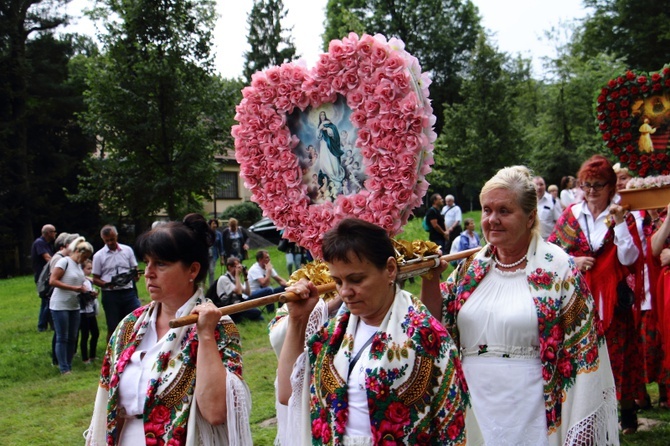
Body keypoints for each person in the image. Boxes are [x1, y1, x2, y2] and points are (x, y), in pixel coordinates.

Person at [423, 165, 618, 445]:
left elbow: (583, 349)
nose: (492, 220)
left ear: (530, 217)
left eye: (504, 211)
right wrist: (431, 279)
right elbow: (437, 328)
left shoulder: (558, 269)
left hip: (530, 411)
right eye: (487, 210)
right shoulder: (469, 269)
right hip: (472, 406)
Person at [277, 218, 467, 444]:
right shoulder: (332, 336)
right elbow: (288, 394)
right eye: (337, 281)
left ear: (389, 269)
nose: (345, 292)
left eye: (356, 279)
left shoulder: (427, 336)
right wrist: (298, 320)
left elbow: (452, 427)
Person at [85, 213, 252, 445]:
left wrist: (204, 336)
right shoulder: (130, 326)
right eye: (147, 263)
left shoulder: (218, 327)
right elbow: (108, 403)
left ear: (192, 271)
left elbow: (216, 413)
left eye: (161, 264)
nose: (149, 273)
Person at [548, 154, 643, 434]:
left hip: (614, 299)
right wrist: (574, 262)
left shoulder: (621, 214)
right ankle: (587, 414)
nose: (591, 191)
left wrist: (622, 224)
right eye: (586, 185)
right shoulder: (572, 214)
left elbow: (630, 258)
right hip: (579, 298)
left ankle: (626, 412)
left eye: (598, 185)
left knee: (618, 356)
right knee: (583, 354)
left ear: (611, 187)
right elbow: (551, 252)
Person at [49, 236, 95, 375]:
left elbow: (79, 283)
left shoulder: (78, 267)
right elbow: (53, 281)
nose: (85, 260)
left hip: (74, 305)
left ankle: (68, 364)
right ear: (78, 252)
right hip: (60, 304)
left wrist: (88, 292)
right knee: (62, 336)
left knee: (72, 337)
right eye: (84, 256)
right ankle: (64, 368)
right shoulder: (64, 262)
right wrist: (73, 288)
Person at [92, 225, 141, 341]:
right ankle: (111, 354)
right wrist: (106, 284)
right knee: (113, 326)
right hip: (111, 294)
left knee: (136, 321)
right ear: (103, 239)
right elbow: (95, 278)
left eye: (112, 239)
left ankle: (131, 348)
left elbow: (135, 268)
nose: (110, 242)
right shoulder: (99, 256)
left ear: (116, 236)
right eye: (107, 240)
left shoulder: (127, 250)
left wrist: (135, 276)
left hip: (128, 291)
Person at [216, 257, 263, 323]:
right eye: (235, 267)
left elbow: (248, 293)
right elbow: (238, 292)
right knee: (256, 312)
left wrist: (245, 278)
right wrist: (237, 276)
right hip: (230, 308)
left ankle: (244, 319)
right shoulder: (224, 278)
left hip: (238, 305)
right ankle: (239, 319)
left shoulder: (234, 278)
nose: (238, 269)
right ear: (229, 267)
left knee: (259, 316)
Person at [32, 224, 56, 332]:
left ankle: (50, 325)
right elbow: (47, 258)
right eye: (53, 232)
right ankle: (41, 326)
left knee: (48, 300)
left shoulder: (47, 244)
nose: (55, 234)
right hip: (42, 277)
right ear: (48, 233)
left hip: (47, 276)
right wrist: (59, 265)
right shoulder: (39, 243)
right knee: (47, 300)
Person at [316, 111, 345, 195]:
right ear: (319, 117)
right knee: (325, 162)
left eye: (323, 115)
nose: (322, 116)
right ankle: (328, 180)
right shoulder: (319, 125)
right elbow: (318, 136)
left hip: (330, 145)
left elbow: (334, 132)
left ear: (325, 115)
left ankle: (335, 177)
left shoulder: (329, 123)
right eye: (321, 115)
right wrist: (320, 129)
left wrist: (327, 129)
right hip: (324, 146)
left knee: (333, 160)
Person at [79, 258, 100, 365]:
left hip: (90, 310)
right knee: (85, 334)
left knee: (95, 333)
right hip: (82, 312)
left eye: (91, 268)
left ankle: (92, 355)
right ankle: (85, 358)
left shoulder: (88, 281)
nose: (90, 271)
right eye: (88, 268)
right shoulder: (80, 281)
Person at [207, 218, 225, 288]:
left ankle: (211, 286)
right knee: (204, 271)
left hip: (213, 255)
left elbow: (221, 246)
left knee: (211, 271)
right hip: (206, 255)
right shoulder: (206, 234)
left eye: (215, 224)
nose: (214, 225)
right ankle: (202, 286)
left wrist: (222, 258)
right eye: (213, 224)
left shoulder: (218, 234)